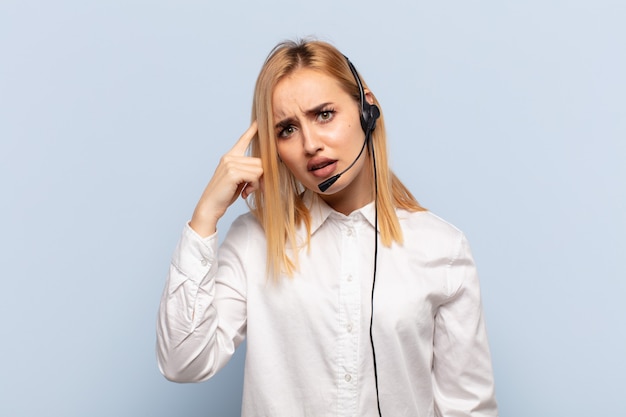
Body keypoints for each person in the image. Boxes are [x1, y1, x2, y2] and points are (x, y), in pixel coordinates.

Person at [157, 39, 498, 417]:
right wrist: (206, 215)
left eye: (323, 115)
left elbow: (468, 409)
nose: (310, 144)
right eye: (287, 129)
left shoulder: (441, 248)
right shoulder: (254, 240)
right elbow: (183, 361)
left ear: (368, 109)